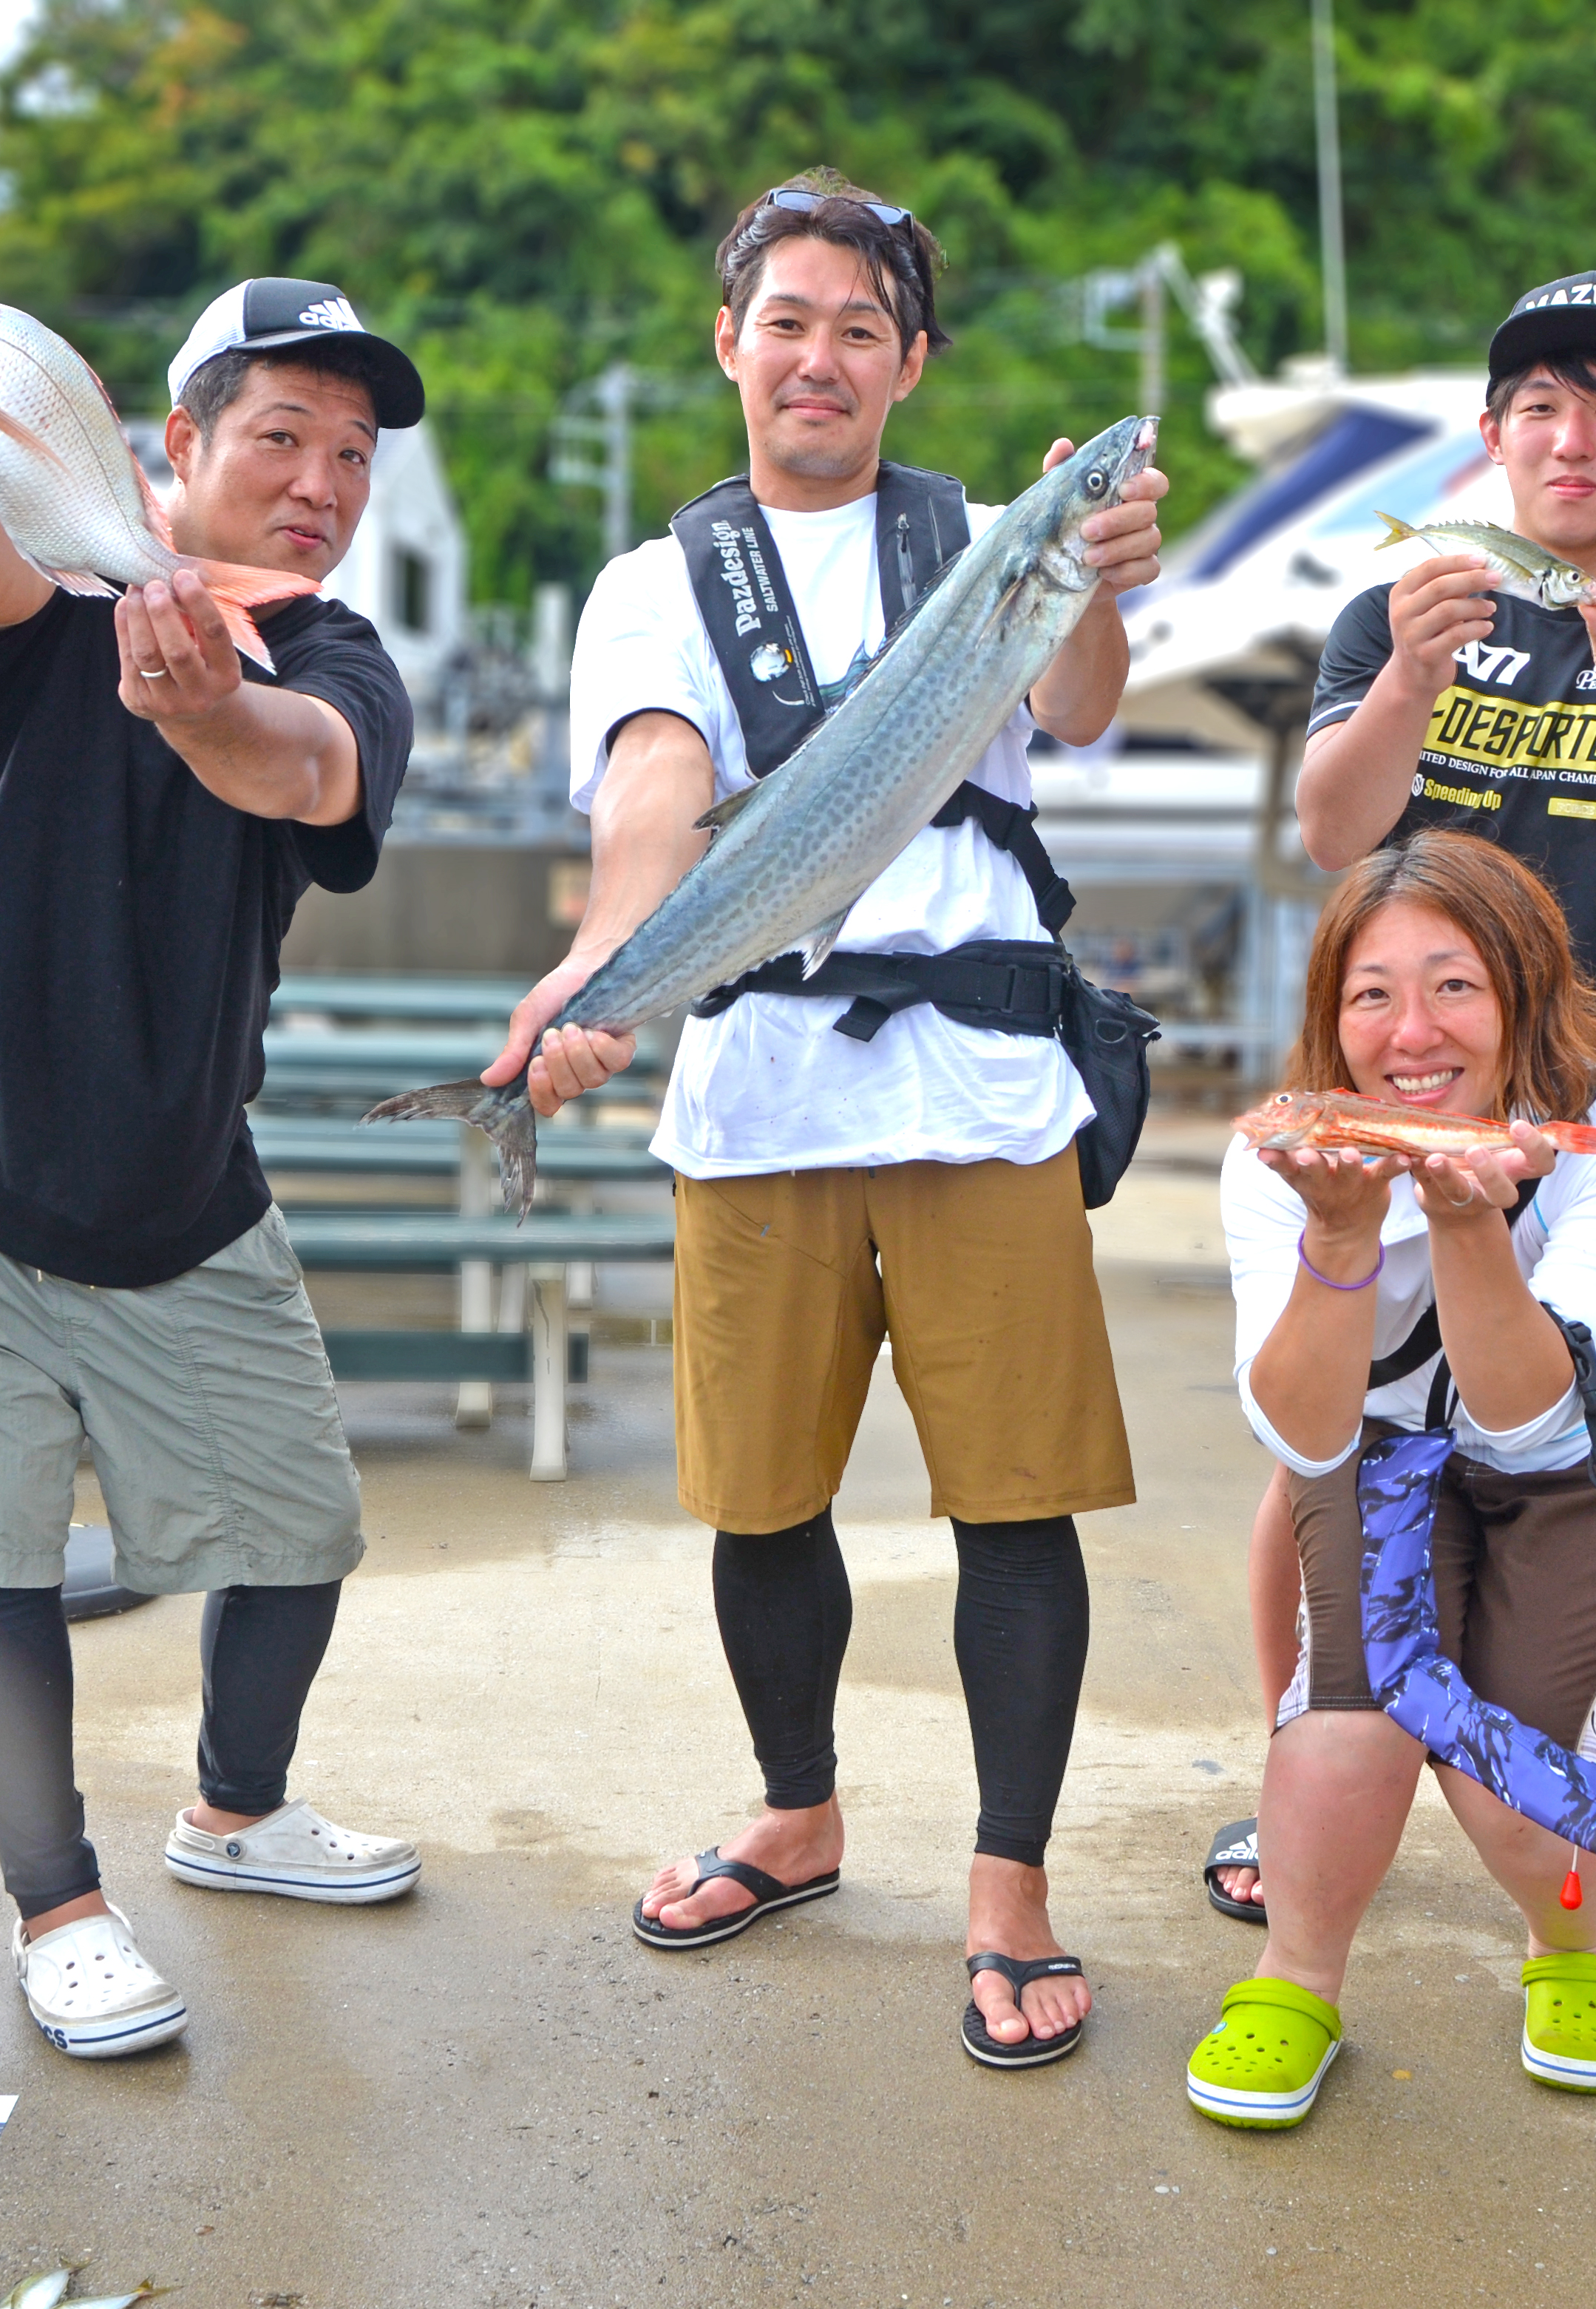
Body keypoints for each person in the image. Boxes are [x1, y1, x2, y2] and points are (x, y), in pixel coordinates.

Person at [484, 171, 1164, 2069]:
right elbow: (653, 781)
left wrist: (1099, 565)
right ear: (731, 343)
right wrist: (604, 970)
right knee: (760, 1497)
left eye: (862, 326)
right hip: (760, 1093)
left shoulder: (982, 539)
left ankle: (1011, 1882)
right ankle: (798, 1810)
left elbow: (1087, 710)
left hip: (982, 1087)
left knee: (1016, 1503)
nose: (820, 355)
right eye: (787, 319)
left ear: (912, 363)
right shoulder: (656, 580)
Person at [0, 277, 424, 2061]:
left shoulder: (336, 657)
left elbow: (306, 772)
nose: (321, 477)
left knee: (301, 1522)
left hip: (185, 1186)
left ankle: (236, 1813)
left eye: (353, 451)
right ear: (174, 448)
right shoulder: (53, 585)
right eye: (279, 435)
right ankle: (61, 1905)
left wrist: (202, 713)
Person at [1206, 272, 1596, 1936]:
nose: (1572, 433)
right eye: (1539, 403)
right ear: (1492, 437)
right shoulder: (1409, 607)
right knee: (1318, 1450)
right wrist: (1401, 681)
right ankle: (1297, 1773)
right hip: (1388, 1107)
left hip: (1594, 1130)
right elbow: (1333, 834)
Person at [1189, 831, 1596, 2129]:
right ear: (1331, 1018)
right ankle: (1295, 1975)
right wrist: (1342, 1235)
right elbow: (1304, 1441)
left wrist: (1470, 1221)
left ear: (1524, 991)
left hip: (1586, 1455)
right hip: (1376, 1449)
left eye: (1453, 985)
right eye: (1371, 995)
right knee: (1350, 1723)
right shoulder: (1282, 1157)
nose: (1410, 1033)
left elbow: (1529, 1419)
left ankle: (1576, 1949)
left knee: (1510, 1771)